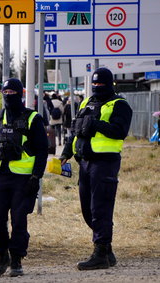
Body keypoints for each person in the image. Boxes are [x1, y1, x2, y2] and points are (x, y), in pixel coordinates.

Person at [59, 67, 133, 270]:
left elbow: (120, 132)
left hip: (105, 163)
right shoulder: (86, 102)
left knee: (100, 208)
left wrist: (96, 124)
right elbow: (76, 131)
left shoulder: (120, 105)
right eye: (94, 84)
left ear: (110, 85)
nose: (97, 87)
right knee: (87, 210)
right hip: (84, 162)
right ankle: (107, 250)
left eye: (100, 84)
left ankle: (100, 253)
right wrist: (65, 154)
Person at [0, 78, 48, 277]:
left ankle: (16, 259)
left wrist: (36, 177)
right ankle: (2, 254)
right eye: (5, 92)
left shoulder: (33, 118)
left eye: (12, 92)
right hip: (0, 177)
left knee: (18, 219)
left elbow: (42, 150)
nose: (8, 96)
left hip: (24, 179)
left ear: (20, 94)